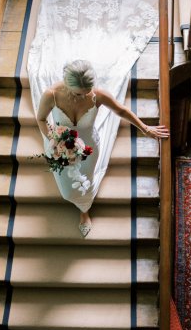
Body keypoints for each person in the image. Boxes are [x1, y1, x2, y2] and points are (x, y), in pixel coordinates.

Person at [36, 59, 169, 237]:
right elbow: (41, 119)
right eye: (77, 94)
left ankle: (84, 210)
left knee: (87, 178)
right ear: (67, 86)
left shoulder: (97, 95)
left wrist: (145, 128)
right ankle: (74, 198)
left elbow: (121, 111)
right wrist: (55, 140)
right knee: (67, 188)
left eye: (85, 93)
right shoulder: (50, 95)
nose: (82, 97)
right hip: (59, 146)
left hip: (89, 146)